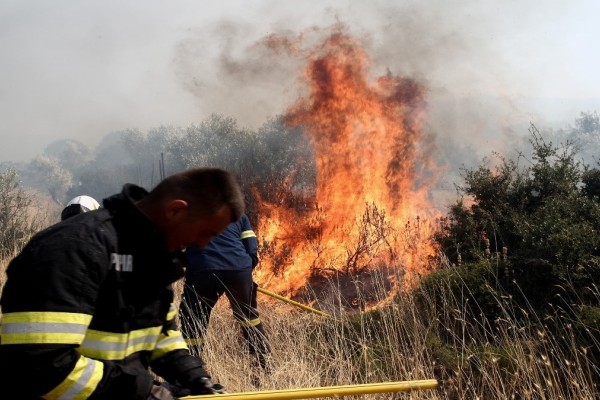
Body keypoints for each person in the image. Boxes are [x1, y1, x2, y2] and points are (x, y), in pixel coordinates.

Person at [0, 167, 244, 400]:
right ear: (175, 211)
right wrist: (143, 393)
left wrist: (192, 376)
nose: (203, 244)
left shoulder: (153, 257)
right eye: (207, 232)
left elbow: (159, 333)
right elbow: (39, 365)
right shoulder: (71, 249)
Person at [180, 213, 270, 376]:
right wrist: (247, 264)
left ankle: (192, 371)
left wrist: (189, 262)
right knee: (249, 318)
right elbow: (250, 243)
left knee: (192, 319)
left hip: (203, 270)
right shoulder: (237, 213)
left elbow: (176, 243)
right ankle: (263, 365)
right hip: (239, 270)